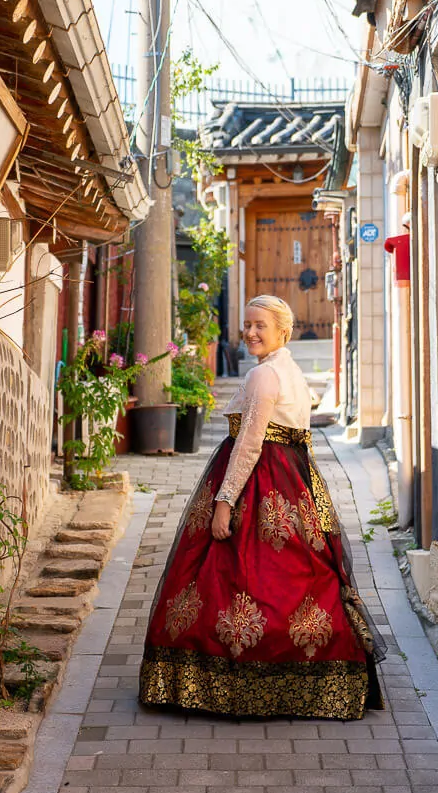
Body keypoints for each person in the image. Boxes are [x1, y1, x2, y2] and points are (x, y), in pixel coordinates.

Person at [139, 295, 387, 720]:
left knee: (236, 580)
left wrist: (223, 502)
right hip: (293, 486)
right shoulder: (291, 372)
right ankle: (313, 680)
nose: (251, 333)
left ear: (282, 332)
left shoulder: (265, 376)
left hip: (259, 486)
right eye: (247, 325)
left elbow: (250, 445)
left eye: (260, 326)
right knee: (304, 578)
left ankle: (229, 684)